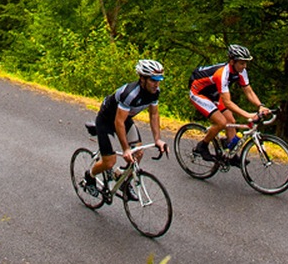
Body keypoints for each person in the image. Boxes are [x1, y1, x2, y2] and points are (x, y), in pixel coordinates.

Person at [82, 58, 168, 198]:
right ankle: (89, 177)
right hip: (107, 120)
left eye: (159, 80)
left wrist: (158, 139)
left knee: (138, 153)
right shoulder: (130, 94)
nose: (156, 84)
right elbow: (118, 122)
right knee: (109, 162)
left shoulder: (155, 91)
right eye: (153, 80)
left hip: (124, 119)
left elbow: (154, 115)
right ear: (142, 79)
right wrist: (126, 149)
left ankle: (122, 179)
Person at [187, 43, 268, 163]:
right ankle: (202, 146)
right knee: (221, 122)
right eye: (241, 63)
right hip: (198, 92)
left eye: (246, 63)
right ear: (232, 61)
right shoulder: (222, 74)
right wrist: (248, 115)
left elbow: (248, 91)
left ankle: (232, 155)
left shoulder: (241, 71)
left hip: (215, 93)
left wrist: (260, 106)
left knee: (231, 121)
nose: (244, 66)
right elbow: (228, 103)